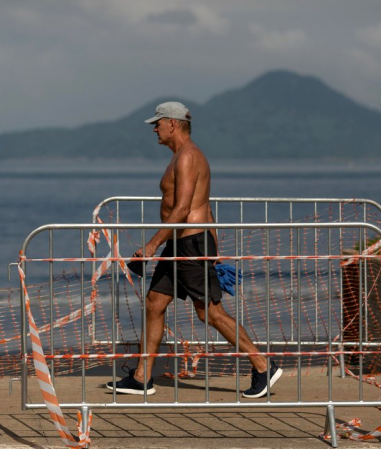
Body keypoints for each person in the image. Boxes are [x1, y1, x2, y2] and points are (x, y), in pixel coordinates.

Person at [105, 101, 282, 398]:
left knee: (210, 314)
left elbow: (184, 208)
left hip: (188, 244)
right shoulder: (181, 157)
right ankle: (141, 377)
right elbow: (205, 206)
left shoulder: (187, 157)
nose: (155, 129)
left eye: (158, 123)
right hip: (182, 243)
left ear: (173, 123)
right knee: (154, 303)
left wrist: (151, 245)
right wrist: (212, 245)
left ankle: (263, 365)